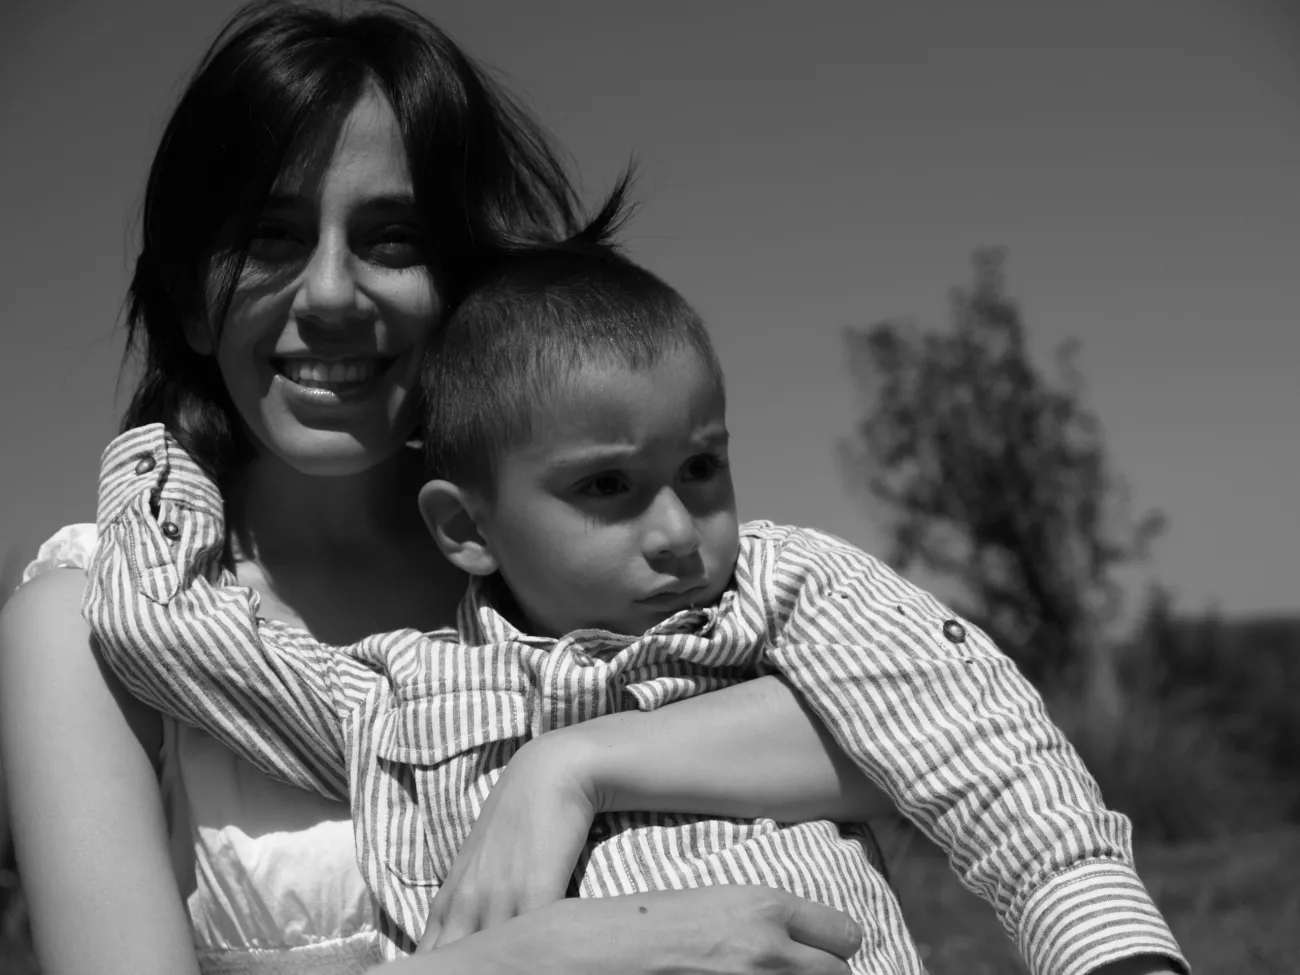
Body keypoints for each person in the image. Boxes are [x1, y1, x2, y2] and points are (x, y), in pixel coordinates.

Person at [82, 193, 1189, 975]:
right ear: (465, 528)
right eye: (606, 487)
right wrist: (172, 440)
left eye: (701, 467)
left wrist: (1111, 951)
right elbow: (164, 632)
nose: (675, 532)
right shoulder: (401, 691)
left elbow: (978, 741)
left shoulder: (778, 589)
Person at [0, 3, 888, 973]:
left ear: (464, 284)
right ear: (190, 300)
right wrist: (552, 956)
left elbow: (900, 724)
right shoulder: (87, 623)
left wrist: (571, 765)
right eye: (270, 237)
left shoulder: (573, 535)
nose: (330, 295)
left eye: (392, 240)